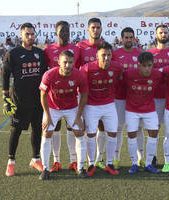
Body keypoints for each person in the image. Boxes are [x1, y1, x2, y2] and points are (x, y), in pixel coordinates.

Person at [2, 22, 47, 177]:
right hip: (19, 100)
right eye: (27, 34)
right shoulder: (13, 53)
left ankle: (35, 159)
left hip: (37, 99)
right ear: (21, 35)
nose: (30, 37)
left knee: (37, 129)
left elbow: (44, 76)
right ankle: (11, 162)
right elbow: (5, 75)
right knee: (16, 130)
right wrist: (5, 97)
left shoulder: (40, 53)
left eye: (32, 34)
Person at [39, 50, 89, 180]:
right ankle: (45, 169)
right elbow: (43, 95)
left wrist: (78, 116)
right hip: (53, 108)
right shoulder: (49, 74)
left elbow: (84, 95)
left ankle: (80, 167)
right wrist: (47, 115)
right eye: (65, 62)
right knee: (47, 133)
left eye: (70, 62)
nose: (67, 65)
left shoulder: (79, 75)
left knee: (79, 133)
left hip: (72, 108)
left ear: (74, 63)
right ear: (59, 62)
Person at [80, 42, 122, 176]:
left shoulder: (117, 67)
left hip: (109, 104)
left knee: (113, 133)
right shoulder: (87, 69)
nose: (106, 57)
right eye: (103, 54)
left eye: (109, 55)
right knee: (91, 133)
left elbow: (121, 77)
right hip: (91, 105)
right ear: (96, 55)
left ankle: (109, 163)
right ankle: (91, 164)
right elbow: (80, 88)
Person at [44, 20, 81, 173]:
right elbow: (45, 72)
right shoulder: (48, 49)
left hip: (72, 94)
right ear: (56, 32)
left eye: (67, 31)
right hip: (54, 96)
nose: (65, 34)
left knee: (72, 128)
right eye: (62, 31)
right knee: (55, 127)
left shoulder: (76, 49)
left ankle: (73, 161)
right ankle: (56, 161)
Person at [124, 52, 162, 174]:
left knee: (154, 133)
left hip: (149, 109)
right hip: (132, 110)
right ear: (138, 64)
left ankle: (149, 164)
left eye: (150, 65)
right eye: (144, 65)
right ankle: (134, 163)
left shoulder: (157, 74)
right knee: (131, 135)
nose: (147, 68)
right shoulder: (129, 74)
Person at [147, 24, 169, 167]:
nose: (163, 35)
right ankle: (152, 157)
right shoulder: (150, 53)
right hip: (155, 97)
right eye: (161, 32)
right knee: (154, 128)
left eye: (165, 32)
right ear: (156, 35)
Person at [77, 18, 107, 169]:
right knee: (84, 127)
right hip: (83, 94)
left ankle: (99, 158)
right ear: (88, 29)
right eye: (93, 27)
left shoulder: (105, 46)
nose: (95, 30)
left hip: (101, 93)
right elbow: (75, 69)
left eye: (98, 27)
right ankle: (86, 161)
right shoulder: (80, 46)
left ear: (101, 29)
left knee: (101, 126)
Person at [111, 27, 144, 169]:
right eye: (126, 37)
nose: (129, 40)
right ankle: (116, 158)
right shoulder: (115, 54)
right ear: (121, 39)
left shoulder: (141, 54)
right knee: (118, 128)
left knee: (138, 128)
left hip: (135, 97)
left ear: (134, 38)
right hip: (118, 97)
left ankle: (141, 158)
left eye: (131, 37)